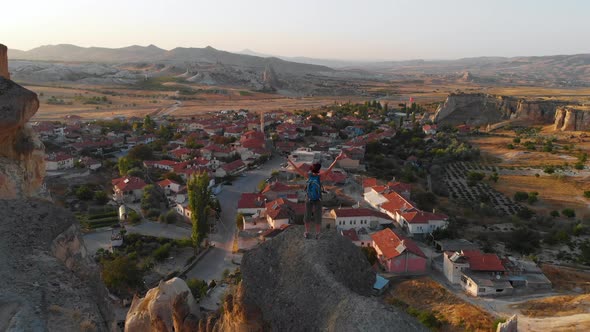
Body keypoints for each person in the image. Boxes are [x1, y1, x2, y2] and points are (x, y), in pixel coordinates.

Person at [287, 151, 344, 239]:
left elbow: (298, 170)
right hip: (317, 199)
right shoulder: (321, 177)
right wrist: (336, 160)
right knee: (316, 217)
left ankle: (308, 232)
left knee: (308, 216)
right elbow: (329, 169)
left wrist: (291, 163)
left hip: (310, 198)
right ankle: (316, 233)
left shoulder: (309, 176)